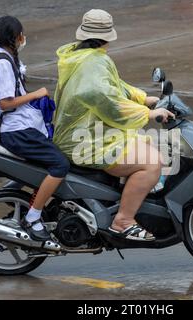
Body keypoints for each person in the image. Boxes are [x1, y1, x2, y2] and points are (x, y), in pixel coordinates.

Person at [53, 9, 174, 241]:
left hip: (84, 133)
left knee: (148, 146)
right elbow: (109, 103)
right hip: (86, 140)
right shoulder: (95, 62)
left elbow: (115, 86)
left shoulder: (80, 56)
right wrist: (149, 114)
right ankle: (123, 221)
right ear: (107, 37)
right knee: (151, 164)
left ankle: (128, 199)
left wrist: (144, 99)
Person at [0, 16, 70, 241]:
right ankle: (33, 216)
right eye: (21, 34)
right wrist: (37, 94)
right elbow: (5, 103)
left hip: (21, 127)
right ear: (14, 37)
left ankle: (15, 189)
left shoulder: (5, 58)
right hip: (17, 132)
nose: (24, 38)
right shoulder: (3, 64)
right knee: (60, 164)